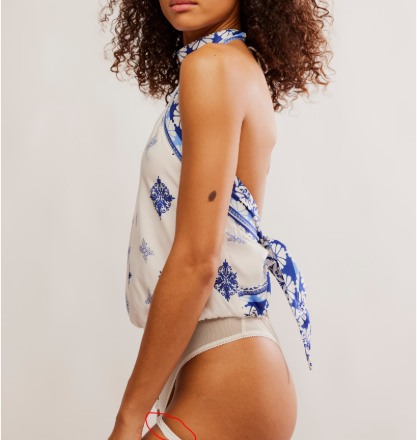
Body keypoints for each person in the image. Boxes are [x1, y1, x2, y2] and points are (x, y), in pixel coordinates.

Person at [100, 0, 332, 438]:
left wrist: (128, 419)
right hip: (227, 363)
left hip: (226, 367)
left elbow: (197, 261)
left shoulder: (212, 67)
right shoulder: (233, 65)